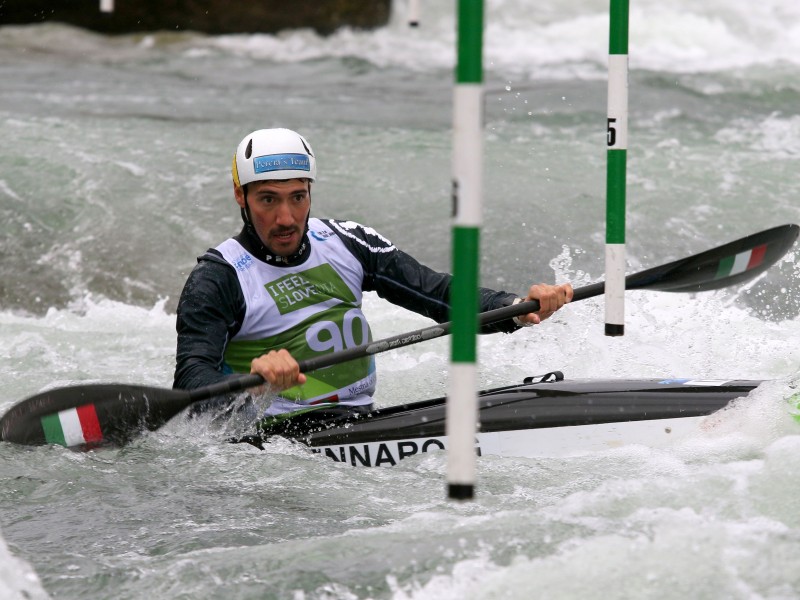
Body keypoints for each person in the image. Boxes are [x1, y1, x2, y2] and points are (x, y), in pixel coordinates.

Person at [173, 128, 573, 429]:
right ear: (241, 196)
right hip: (271, 443)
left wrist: (514, 308)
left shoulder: (347, 241)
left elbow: (438, 294)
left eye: (298, 197)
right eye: (268, 200)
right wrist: (252, 384)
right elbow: (190, 388)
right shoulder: (218, 278)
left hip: (358, 422)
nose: (286, 218)